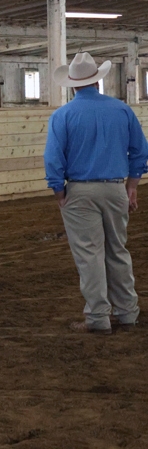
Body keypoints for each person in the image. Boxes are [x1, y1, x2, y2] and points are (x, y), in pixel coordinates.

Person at [44, 52, 148, 334]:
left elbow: (53, 159)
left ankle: (98, 317)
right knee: (118, 250)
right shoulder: (122, 110)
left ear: (73, 85)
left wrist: (59, 193)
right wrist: (132, 186)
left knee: (89, 254)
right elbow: (140, 151)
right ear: (97, 82)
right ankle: (128, 312)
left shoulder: (62, 115)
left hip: (79, 191)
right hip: (115, 188)